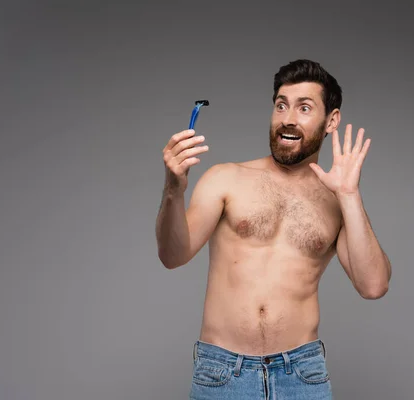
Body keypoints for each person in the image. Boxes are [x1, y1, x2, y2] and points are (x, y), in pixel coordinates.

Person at [156, 59, 392, 399]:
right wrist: (173, 189)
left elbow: (373, 286)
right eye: (281, 105)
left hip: (301, 373)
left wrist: (349, 195)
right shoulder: (226, 178)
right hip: (222, 372)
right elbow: (172, 255)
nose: (288, 118)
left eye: (304, 107)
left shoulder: (337, 203)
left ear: (332, 120)